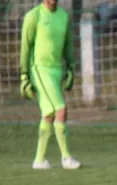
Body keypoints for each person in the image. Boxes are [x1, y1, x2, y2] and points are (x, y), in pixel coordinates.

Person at [20, 0, 81, 170]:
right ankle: (66, 158)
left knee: (49, 113)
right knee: (61, 108)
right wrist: (24, 75)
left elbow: (68, 45)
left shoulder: (63, 17)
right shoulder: (33, 16)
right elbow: (25, 47)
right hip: (40, 69)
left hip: (56, 71)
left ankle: (39, 160)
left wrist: (71, 67)